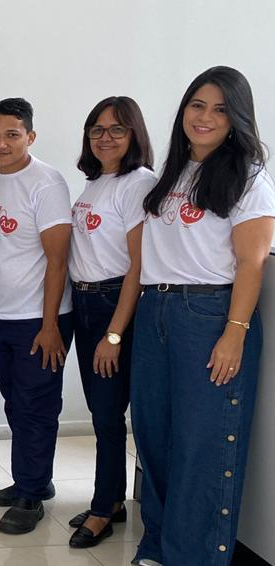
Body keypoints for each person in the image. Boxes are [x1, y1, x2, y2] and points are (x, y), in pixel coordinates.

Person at [132, 66, 274, 566]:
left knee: (200, 445)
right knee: (153, 436)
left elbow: (252, 262)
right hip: (156, 309)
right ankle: (158, 545)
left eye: (220, 109)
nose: (205, 117)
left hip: (208, 314)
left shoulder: (249, 176)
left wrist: (235, 333)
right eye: (197, 105)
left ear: (237, 119)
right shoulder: (174, 171)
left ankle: (192, 557)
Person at [0, 98, 74, 534]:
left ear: (30, 137)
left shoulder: (46, 183)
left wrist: (50, 326)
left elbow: (58, 260)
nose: (1, 144)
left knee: (36, 405)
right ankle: (32, 478)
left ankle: (31, 495)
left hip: (38, 318)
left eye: (12, 135)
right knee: (16, 401)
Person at [65, 97, 156, 549]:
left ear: (134, 135)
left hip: (113, 304)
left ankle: (104, 509)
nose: (105, 138)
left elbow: (139, 266)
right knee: (103, 414)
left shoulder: (139, 183)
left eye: (117, 130)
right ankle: (112, 500)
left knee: (108, 413)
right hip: (85, 302)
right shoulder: (96, 182)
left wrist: (115, 333)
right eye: (97, 130)